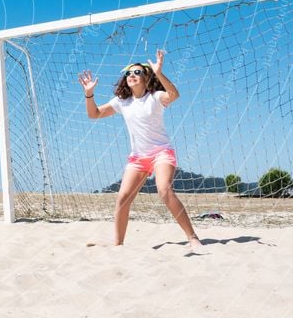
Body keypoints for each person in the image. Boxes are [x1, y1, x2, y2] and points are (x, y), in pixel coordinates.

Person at [78, 50, 202, 250]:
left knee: (164, 190)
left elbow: (174, 95)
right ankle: (118, 243)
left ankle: (192, 237)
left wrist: (159, 72)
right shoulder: (122, 102)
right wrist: (89, 93)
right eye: (128, 73)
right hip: (138, 158)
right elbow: (94, 114)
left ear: (146, 77)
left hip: (161, 153)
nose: (131, 75)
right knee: (123, 198)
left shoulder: (156, 97)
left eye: (137, 72)